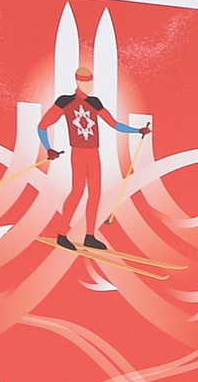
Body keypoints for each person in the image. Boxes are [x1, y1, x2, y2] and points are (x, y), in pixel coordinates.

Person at [39, 66, 151, 251]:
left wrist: (138, 130)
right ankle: (61, 234)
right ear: (78, 81)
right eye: (86, 82)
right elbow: (42, 126)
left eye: (91, 81)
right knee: (78, 191)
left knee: (95, 192)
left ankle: (89, 236)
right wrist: (48, 149)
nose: (89, 85)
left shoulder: (94, 102)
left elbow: (114, 124)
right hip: (79, 152)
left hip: (94, 152)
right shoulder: (65, 101)